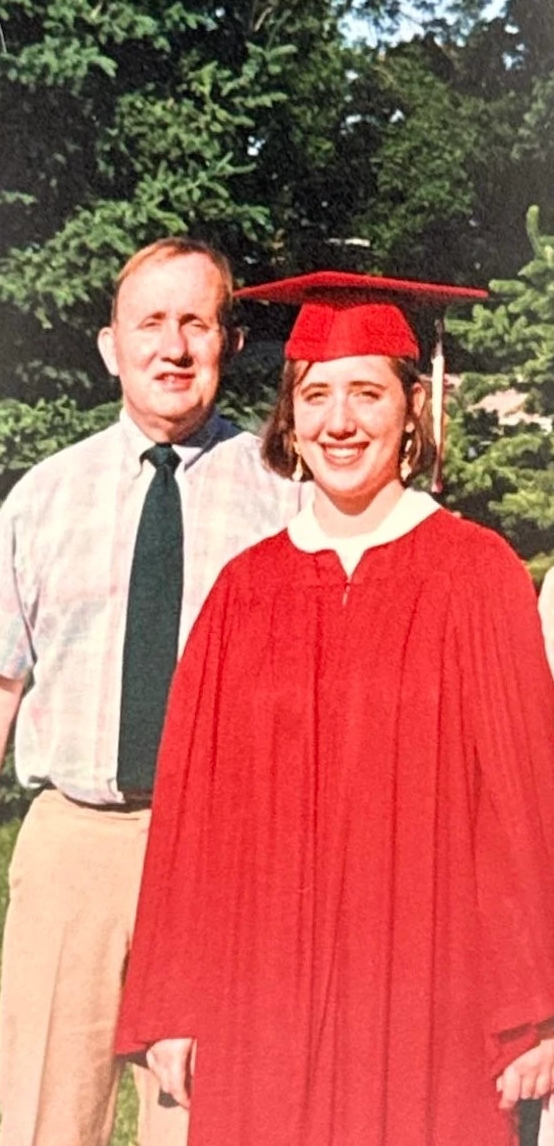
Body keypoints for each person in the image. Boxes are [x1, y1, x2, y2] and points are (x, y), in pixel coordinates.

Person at [116, 271, 554, 1146]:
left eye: (366, 392)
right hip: (262, 998)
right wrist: (173, 998)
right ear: (288, 415)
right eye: (315, 394)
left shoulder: (476, 576)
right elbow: (193, 818)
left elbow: (524, 805)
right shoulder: (246, 591)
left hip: (431, 995)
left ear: (412, 409)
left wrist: (533, 1008)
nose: (338, 421)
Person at [0, 236, 304, 1146]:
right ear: (109, 346)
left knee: (202, 1119)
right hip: (76, 848)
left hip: (222, 855)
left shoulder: (281, 496)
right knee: (51, 1116)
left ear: (230, 341)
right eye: (150, 323)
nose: (172, 347)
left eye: (195, 323)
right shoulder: (45, 496)